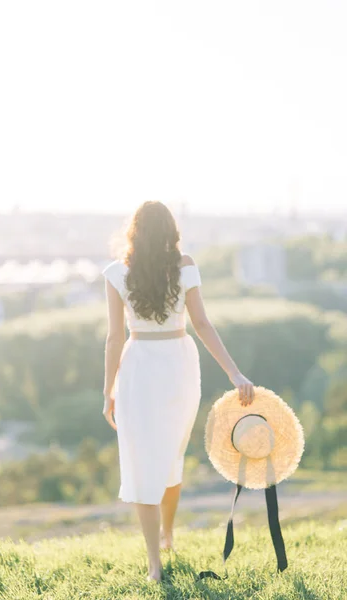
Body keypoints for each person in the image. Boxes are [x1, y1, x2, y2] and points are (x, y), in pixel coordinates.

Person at [102, 201, 254, 582]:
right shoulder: (184, 265)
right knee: (167, 458)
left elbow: (114, 337)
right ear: (171, 231)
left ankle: (157, 559)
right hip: (179, 365)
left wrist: (108, 390)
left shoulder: (117, 272)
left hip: (138, 368)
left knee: (145, 462)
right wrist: (235, 374)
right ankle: (164, 539)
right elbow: (202, 323)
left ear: (133, 232)